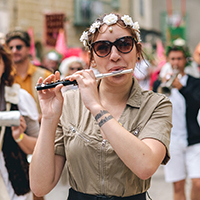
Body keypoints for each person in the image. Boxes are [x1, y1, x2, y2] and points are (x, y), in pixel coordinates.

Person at [30, 13, 172, 200]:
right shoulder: (69, 103)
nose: (114, 56)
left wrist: (96, 107)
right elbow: (40, 187)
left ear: (137, 51)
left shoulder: (157, 105)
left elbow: (145, 166)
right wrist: (49, 118)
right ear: (92, 58)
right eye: (103, 48)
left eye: (124, 45)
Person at [155, 44, 200, 200]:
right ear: (168, 60)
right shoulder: (160, 82)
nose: (176, 62)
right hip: (172, 140)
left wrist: (182, 88)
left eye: (179, 59)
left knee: (198, 183)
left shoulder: (195, 82)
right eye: (173, 59)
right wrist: (161, 83)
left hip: (193, 139)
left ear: (185, 61)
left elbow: (196, 103)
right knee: (178, 185)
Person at [0, 44, 39, 200]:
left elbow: (38, 146)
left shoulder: (19, 97)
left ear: (5, 65)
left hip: (13, 182)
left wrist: (19, 137)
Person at [5, 30, 52, 121]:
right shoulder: (5, 77)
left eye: (18, 47)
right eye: (10, 48)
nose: (14, 51)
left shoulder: (45, 76)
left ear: (28, 49)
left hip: (40, 130)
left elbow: (54, 109)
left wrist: (35, 118)